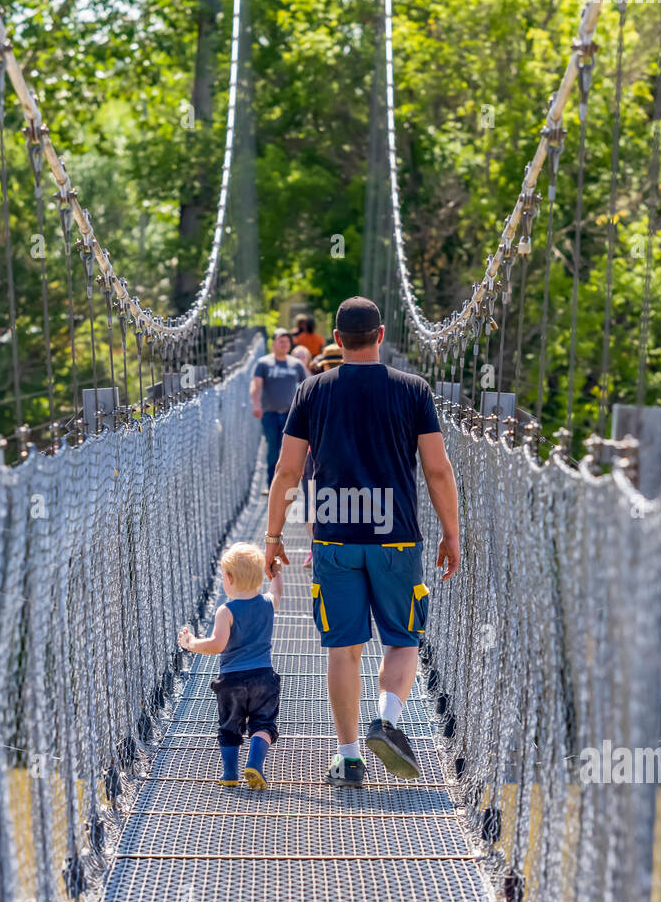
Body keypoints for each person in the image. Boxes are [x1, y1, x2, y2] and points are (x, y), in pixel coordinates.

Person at [264, 296, 461, 788]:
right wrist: (452, 533)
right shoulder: (414, 390)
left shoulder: (311, 391)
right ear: (380, 335)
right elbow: (436, 470)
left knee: (343, 649)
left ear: (335, 338)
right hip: (396, 540)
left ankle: (349, 758)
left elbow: (288, 470)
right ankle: (387, 720)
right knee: (401, 639)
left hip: (333, 539)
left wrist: (272, 536)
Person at [178, 542, 283, 790]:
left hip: (232, 681)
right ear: (259, 577)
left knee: (229, 725)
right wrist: (276, 572)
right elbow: (277, 592)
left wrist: (191, 642)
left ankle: (229, 773)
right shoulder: (268, 603)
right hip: (263, 679)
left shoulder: (225, 611)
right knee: (263, 725)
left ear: (229, 578)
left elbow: (216, 644)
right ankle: (255, 764)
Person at [250, 330, 307, 490]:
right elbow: (255, 385)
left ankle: (289, 485)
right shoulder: (264, 363)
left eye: (287, 342)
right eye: (281, 341)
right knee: (273, 449)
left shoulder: (296, 365)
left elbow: (306, 385)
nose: (284, 344)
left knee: (290, 451)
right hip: (270, 415)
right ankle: (272, 485)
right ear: (273, 343)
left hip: (291, 415)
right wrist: (256, 404)